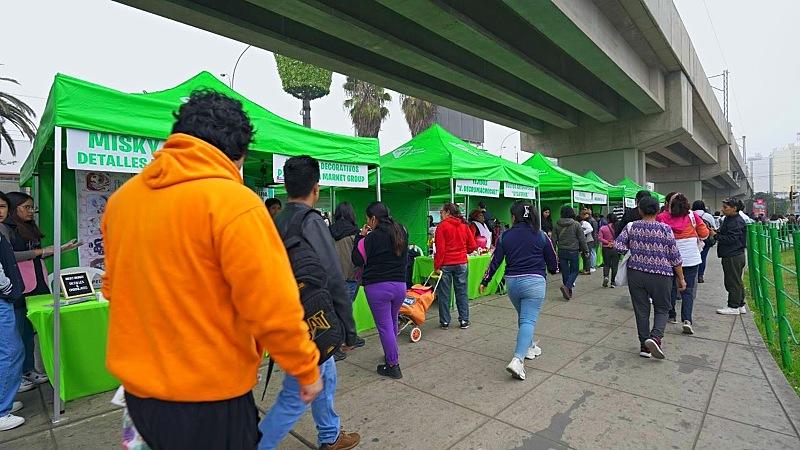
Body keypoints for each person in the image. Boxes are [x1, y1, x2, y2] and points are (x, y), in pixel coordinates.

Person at [102, 90, 321, 448]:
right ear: (238, 153)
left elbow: (113, 289)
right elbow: (272, 305)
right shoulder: (234, 203)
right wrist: (305, 368)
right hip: (210, 399)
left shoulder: (122, 201)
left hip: (140, 396)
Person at [260, 155, 360, 450]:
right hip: (307, 321)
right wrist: (348, 329)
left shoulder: (275, 221)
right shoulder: (311, 222)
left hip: (285, 313)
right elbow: (333, 277)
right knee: (294, 397)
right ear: (315, 189)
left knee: (326, 372)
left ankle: (330, 434)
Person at [4, 191, 80, 392]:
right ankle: (16, 377)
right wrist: (42, 251)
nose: (31, 211)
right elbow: (11, 256)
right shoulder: (6, 229)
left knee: (30, 331)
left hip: (37, 282)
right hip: (18, 286)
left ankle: (29, 370)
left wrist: (59, 249)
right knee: (18, 333)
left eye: (32, 207)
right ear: (14, 208)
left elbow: (36, 257)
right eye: (26, 207)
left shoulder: (27, 228)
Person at [479, 202, 557, 381]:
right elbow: (553, 261)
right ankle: (518, 360)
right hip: (535, 282)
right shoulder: (541, 235)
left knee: (523, 317)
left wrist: (485, 280)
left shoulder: (506, 236)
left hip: (512, 283)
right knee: (528, 320)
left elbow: (495, 260)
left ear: (514, 217)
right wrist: (553, 269)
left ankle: (529, 347)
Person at [615, 197, 686, 359]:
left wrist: (634, 248)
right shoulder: (666, 229)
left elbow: (618, 246)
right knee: (662, 308)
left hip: (636, 273)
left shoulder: (631, 226)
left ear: (640, 210)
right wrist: (681, 278)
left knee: (641, 310)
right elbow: (675, 256)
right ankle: (655, 337)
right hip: (661, 275)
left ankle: (644, 346)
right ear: (658, 211)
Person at [352, 202, 408, 379]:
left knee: (384, 327)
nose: (367, 223)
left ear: (373, 218)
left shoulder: (371, 238)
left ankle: (393, 365)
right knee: (391, 323)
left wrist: (360, 237)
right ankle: (392, 353)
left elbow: (357, 259)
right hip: (399, 285)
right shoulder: (402, 231)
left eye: (368, 219)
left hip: (378, 287)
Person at [656, 193, 709, 335]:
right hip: (691, 258)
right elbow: (704, 234)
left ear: (669, 205)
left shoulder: (662, 217)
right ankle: (687, 320)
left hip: (669, 257)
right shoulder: (693, 216)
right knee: (688, 290)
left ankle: (671, 314)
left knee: (670, 287)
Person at [0, 191, 26, 432]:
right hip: (2, 298)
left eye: (2, 206)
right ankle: (1, 410)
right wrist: (7, 287)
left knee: (9, 349)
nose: (0, 210)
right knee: (11, 350)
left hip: (5, 298)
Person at [329, 202, 367, 361]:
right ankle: (337, 346)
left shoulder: (328, 232)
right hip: (351, 277)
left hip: (332, 277)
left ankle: (348, 338)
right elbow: (360, 257)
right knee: (344, 311)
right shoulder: (355, 234)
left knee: (336, 311)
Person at [434, 203, 477, 329]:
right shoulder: (464, 225)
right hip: (462, 262)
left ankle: (445, 321)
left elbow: (440, 249)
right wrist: (464, 251)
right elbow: (473, 246)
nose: (440, 214)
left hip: (446, 264)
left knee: (444, 294)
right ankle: (464, 320)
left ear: (448, 212)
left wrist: (437, 265)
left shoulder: (442, 226)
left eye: (441, 211)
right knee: (462, 292)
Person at [716, 198, 748, 315]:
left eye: (725, 207)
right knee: (737, 280)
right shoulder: (730, 219)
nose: (723, 210)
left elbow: (731, 239)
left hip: (733, 254)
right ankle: (740, 304)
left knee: (732, 281)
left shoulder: (736, 222)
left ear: (734, 208)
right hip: (733, 254)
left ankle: (733, 306)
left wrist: (716, 236)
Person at [553, 206, 588, 300]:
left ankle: (568, 291)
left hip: (561, 250)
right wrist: (586, 250)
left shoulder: (557, 224)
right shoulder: (576, 224)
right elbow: (582, 239)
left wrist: (553, 251)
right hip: (573, 250)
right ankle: (567, 287)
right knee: (575, 270)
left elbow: (553, 240)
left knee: (565, 271)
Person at [692, 200, 718, 283]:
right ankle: (700, 276)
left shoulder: (690, 214)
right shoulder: (708, 216)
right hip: (705, 239)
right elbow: (714, 227)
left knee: (694, 258)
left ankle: (693, 275)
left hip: (693, 239)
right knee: (703, 258)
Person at [598, 213, 619, 288]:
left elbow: (599, 238)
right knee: (615, 266)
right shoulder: (618, 227)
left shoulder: (603, 228)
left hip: (606, 248)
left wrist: (607, 242)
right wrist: (613, 243)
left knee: (606, 264)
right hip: (615, 248)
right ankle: (613, 282)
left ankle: (606, 277)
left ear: (608, 219)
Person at [580, 208, 598, 273]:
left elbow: (591, 230)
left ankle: (591, 267)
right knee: (592, 253)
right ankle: (591, 267)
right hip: (593, 238)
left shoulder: (587, 221)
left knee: (589, 254)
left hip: (590, 239)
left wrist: (583, 233)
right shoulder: (593, 220)